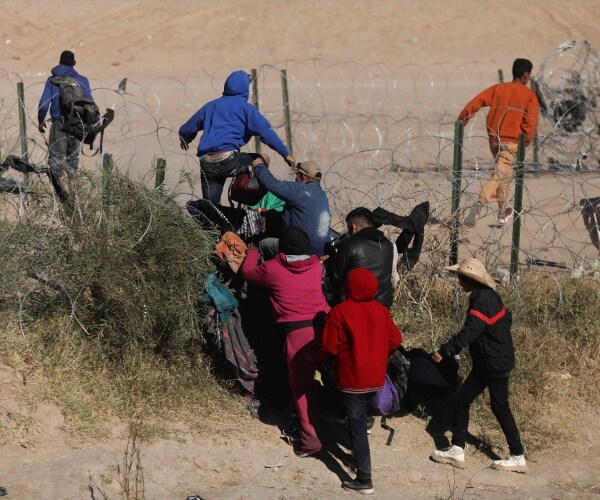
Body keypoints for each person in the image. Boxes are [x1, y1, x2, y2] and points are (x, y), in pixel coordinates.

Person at [430, 257, 527, 474]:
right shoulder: (489, 296)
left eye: (460, 278)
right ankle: (458, 449)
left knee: (497, 406)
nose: (458, 282)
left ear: (468, 280)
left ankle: (517, 455)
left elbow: (470, 331)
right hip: (491, 361)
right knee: (463, 401)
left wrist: (445, 350)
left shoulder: (481, 299)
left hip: (492, 363)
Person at [241, 227, 329, 457]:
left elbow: (248, 273)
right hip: (325, 327)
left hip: (297, 334)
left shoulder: (272, 269)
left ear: (282, 248)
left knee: (301, 386)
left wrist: (252, 252)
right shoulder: (316, 267)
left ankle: (311, 441)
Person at [316, 267, 403, 495]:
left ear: (349, 287)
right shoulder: (381, 311)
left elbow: (329, 347)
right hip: (376, 378)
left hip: (352, 379)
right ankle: (357, 455)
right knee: (360, 419)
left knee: (357, 425)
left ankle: (364, 479)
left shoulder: (340, 311)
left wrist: (316, 357)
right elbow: (395, 340)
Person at [178, 70, 296, 204]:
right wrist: (285, 154)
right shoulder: (245, 108)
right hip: (229, 160)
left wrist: (186, 139)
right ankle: (248, 199)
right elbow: (266, 133)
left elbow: (185, 129)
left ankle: (210, 216)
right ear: (245, 89)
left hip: (206, 163)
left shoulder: (211, 106)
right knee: (262, 159)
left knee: (211, 208)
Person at [460, 58, 540, 226]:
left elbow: (477, 102)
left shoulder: (498, 89)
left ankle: (503, 212)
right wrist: (526, 141)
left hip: (494, 141)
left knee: (504, 173)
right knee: (498, 175)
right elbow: (530, 123)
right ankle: (477, 207)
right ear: (526, 76)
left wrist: (463, 118)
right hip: (511, 143)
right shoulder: (529, 95)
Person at [253, 158, 331, 258]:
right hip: (320, 251)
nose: (295, 179)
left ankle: (263, 266)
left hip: (302, 249)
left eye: (297, 175)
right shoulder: (322, 195)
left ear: (302, 177)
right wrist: (270, 213)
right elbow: (300, 216)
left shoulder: (300, 190)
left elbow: (272, 184)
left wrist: (259, 166)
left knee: (262, 244)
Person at [38, 50, 94, 179]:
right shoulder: (82, 80)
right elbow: (89, 104)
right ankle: (72, 188)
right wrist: (89, 126)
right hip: (77, 123)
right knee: (72, 160)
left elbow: (44, 104)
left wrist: (41, 120)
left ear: (59, 62)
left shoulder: (52, 81)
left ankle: (58, 189)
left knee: (56, 160)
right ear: (74, 63)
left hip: (59, 123)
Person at [329, 207, 395, 308]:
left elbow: (337, 277)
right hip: (382, 306)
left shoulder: (349, 245)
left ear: (353, 227)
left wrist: (330, 260)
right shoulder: (388, 245)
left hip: (355, 305)